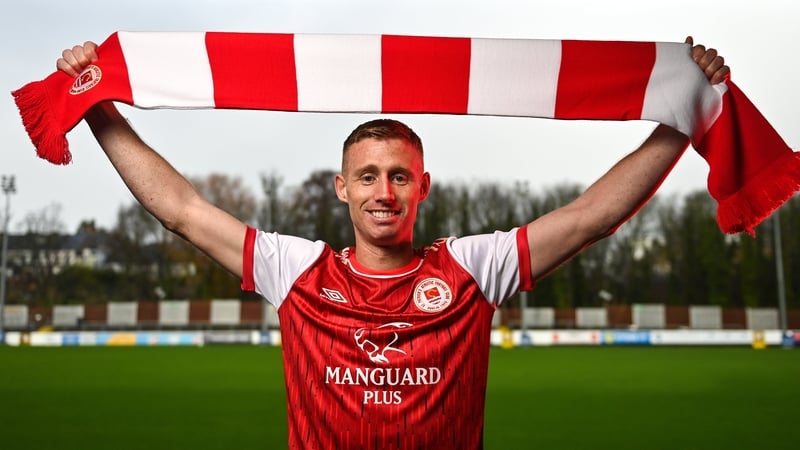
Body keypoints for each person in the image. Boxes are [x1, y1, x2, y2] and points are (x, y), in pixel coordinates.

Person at [57, 36, 729, 449]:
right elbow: (181, 209)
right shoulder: (296, 269)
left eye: (399, 176)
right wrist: (94, 105)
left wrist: (684, 115)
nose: (384, 191)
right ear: (342, 188)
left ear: (422, 187)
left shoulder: (472, 267)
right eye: (368, 176)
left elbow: (590, 217)